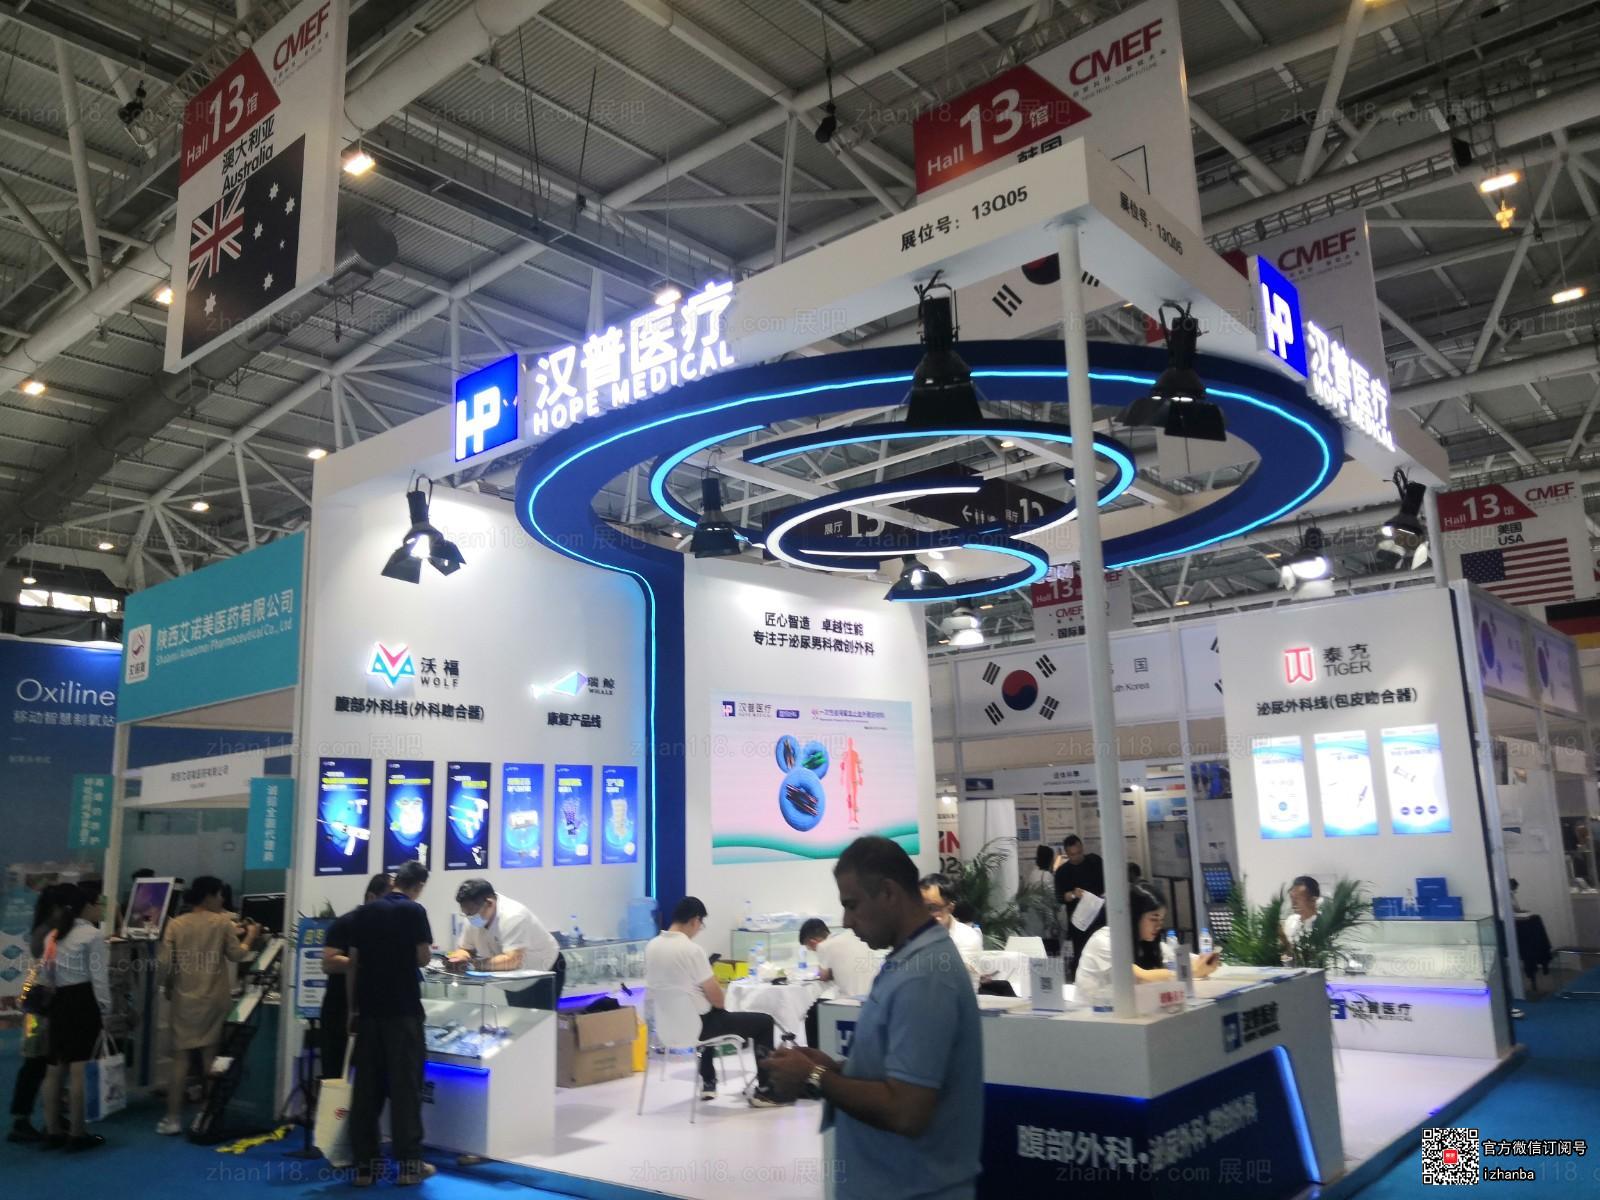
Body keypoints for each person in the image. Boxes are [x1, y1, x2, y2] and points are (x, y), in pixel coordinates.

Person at [767, 837, 983, 1200]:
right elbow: (895, 1074)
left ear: (888, 892)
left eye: (852, 905)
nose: (846, 921)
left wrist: (815, 1077)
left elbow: (906, 1110)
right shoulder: (908, 961)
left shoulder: (924, 975)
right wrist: (834, 1069)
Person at [643, 897, 789, 1107]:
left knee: (708, 1013)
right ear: (695, 920)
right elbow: (719, 1000)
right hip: (699, 1027)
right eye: (700, 924)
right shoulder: (691, 950)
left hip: (666, 1028)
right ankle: (767, 1091)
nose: (699, 929)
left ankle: (708, 1081)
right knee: (764, 1022)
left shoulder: (652, 946)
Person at [345, 860, 435, 1187]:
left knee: (366, 1092)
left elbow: (353, 964)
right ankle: (409, 1166)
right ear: (419, 885)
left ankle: (365, 1168)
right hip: (403, 1012)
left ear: (396, 880)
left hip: (369, 1013)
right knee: (405, 1089)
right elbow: (423, 957)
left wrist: (352, 1011)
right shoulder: (414, 911)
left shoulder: (363, 913)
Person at [156, 877, 263, 1134]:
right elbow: (237, 955)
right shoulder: (222, 923)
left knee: (180, 1060)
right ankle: (207, 1116)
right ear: (208, 896)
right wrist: (251, 936)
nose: (222, 900)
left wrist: (168, 986)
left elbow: (165, 964)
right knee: (210, 1059)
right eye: (219, 895)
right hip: (215, 999)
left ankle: (172, 1119)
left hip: (184, 999)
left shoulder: (175, 924)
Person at [40, 882, 110, 1152]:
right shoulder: (92, 935)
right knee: (80, 1069)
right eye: (97, 904)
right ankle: (78, 1133)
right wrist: (105, 1009)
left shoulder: (53, 935)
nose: (99, 908)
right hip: (83, 1001)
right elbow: (99, 978)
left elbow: (46, 975)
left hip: (59, 1002)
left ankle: (53, 1131)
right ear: (86, 906)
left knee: (54, 1067)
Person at [1075, 882, 1219, 1006]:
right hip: (1090, 1014)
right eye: (1153, 919)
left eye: (1162, 920)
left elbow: (1181, 958)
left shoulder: (1148, 942)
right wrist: (1188, 972)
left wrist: (1205, 961)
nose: (1159, 926)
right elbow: (1141, 976)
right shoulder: (1105, 941)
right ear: (1135, 916)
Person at [8, 884, 73, 1143]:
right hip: (39, 1008)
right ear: (58, 907)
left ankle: (45, 1116)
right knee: (36, 1064)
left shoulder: (44, 928)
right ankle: (21, 1120)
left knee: (40, 1064)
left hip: (38, 1005)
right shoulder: (49, 933)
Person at [446, 878, 565, 1009]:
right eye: (466, 914)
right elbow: (465, 948)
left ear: (489, 903)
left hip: (543, 971)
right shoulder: (473, 916)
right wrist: (459, 958)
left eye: (472, 913)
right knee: (518, 1016)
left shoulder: (514, 916)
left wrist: (473, 965)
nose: (469, 918)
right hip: (512, 978)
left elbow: (512, 960)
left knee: (539, 1019)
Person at [321, 873, 391, 1079]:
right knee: (335, 1076)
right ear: (371, 897)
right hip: (340, 1011)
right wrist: (362, 962)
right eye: (388, 898)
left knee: (369, 1079)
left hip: (373, 1014)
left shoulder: (388, 927)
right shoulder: (347, 923)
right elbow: (328, 963)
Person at [799, 918, 881, 1045]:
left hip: (850, 1001)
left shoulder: (823, 946)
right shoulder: (851, 936)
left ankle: (815, 1051)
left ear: (813, 942)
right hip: (874, 997)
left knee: (812, 1011)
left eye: (810, 949)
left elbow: (823, 976)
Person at [919, 874, 986, 991]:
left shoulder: (967, 937)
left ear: (950, 908)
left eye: (932, 908)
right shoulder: (912, 935)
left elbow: (957, 984)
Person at [1054, 836, 1106, 967]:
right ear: (1066, 853)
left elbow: (1106, 882)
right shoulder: (1062, 872)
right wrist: (1073, 894)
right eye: (1072, 855)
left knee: (1102, 952)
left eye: (1079, 853)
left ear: (1082, 848)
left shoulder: (1095, 861)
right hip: (1079, 923)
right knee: (1081, 955)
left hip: (1099, 918)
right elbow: (1060, 897)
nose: (1076, 857)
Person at [1282, 875, 1323, 949]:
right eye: (1292, 898)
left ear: (1313, 899)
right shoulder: (1290, 921)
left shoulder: (1323, 923)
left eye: (1298, 898)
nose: (1293, 903)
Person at [840, 736, 864, 829]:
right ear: (847, 744)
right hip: (847, 778)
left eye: (851, 742)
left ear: (852, 743)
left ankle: (855, 817)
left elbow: (858, 766)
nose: (850, 744)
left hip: (854, 779)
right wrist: (841, 777)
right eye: (849, 742)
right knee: (849, 798)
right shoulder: (845, 754)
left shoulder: (855, 754)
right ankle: (850, 816)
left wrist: (861, 777)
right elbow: (842, 767)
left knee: (854, 798)